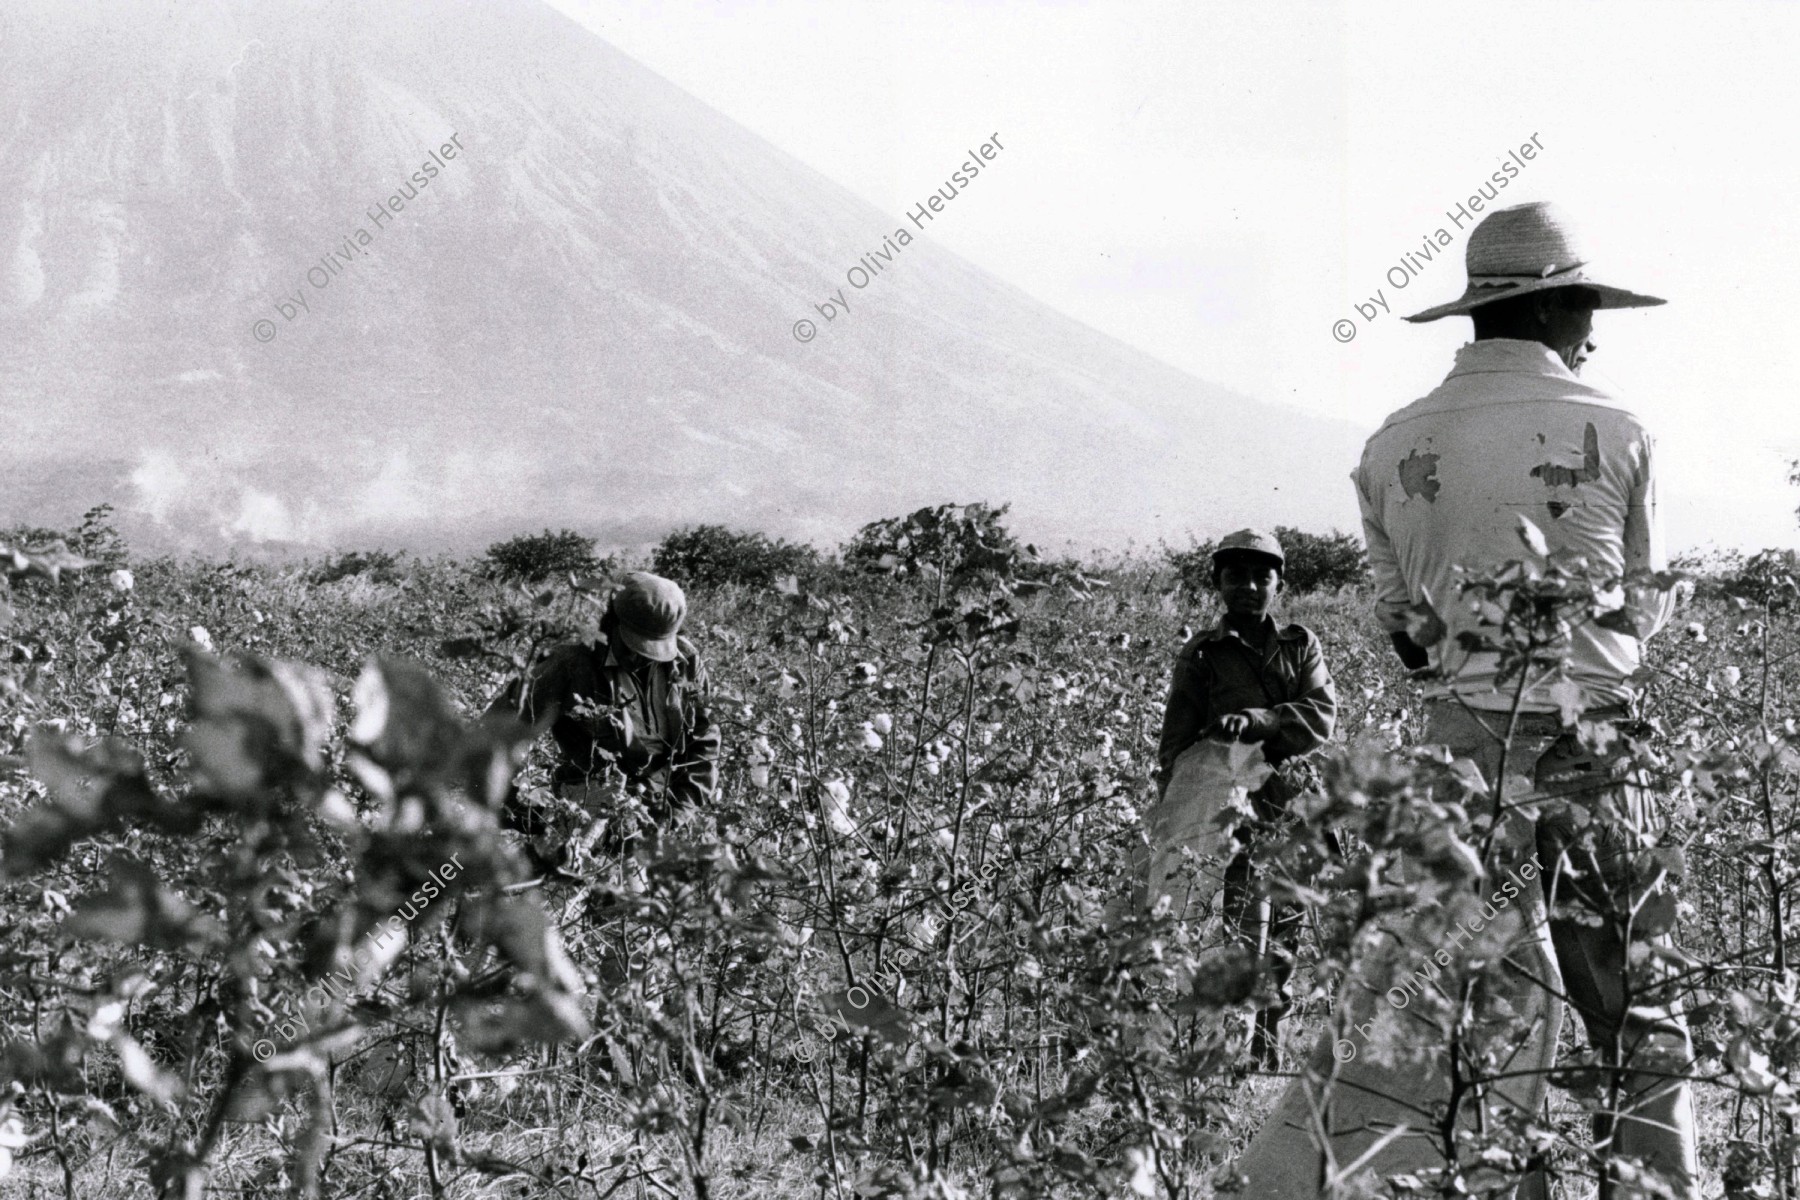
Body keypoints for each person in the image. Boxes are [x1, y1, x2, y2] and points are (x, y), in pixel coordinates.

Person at [1235, 201, 1693, 1199]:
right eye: (1586, 311)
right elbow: (1634, 618)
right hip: (1592, 745)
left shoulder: (1392, 445)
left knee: (1449, 992)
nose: (1594, 334)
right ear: (1564, 306)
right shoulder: (1616, 428)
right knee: (1631, 1005)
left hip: (1453, 758)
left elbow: (1404, 630)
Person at [1154, 528, 1337, 1069]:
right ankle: (1226, 1049)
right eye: (1237, 577)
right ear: (1218, 584)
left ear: (1279, 585)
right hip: (1226, 810)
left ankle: (1268, 1045)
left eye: (1263, 577)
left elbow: (1319, 716)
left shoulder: (1300, 646)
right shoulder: (1204, 653)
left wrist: (1260, 721)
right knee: (1233, 923)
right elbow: (1178, 741)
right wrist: (1173, 808)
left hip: (1288, 802)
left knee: (1284, 924)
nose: (1250, 587)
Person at [490, 571, 721, 851]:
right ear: (612, 623)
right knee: (564, 881)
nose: (641, 658)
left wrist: (674, 814)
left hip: (660, 801)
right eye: (634, 646)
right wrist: (515, 808)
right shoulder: (572, 664)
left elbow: (705, 744)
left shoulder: (687, 663)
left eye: (653, 650)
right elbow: (496, 732)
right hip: (588, 799)